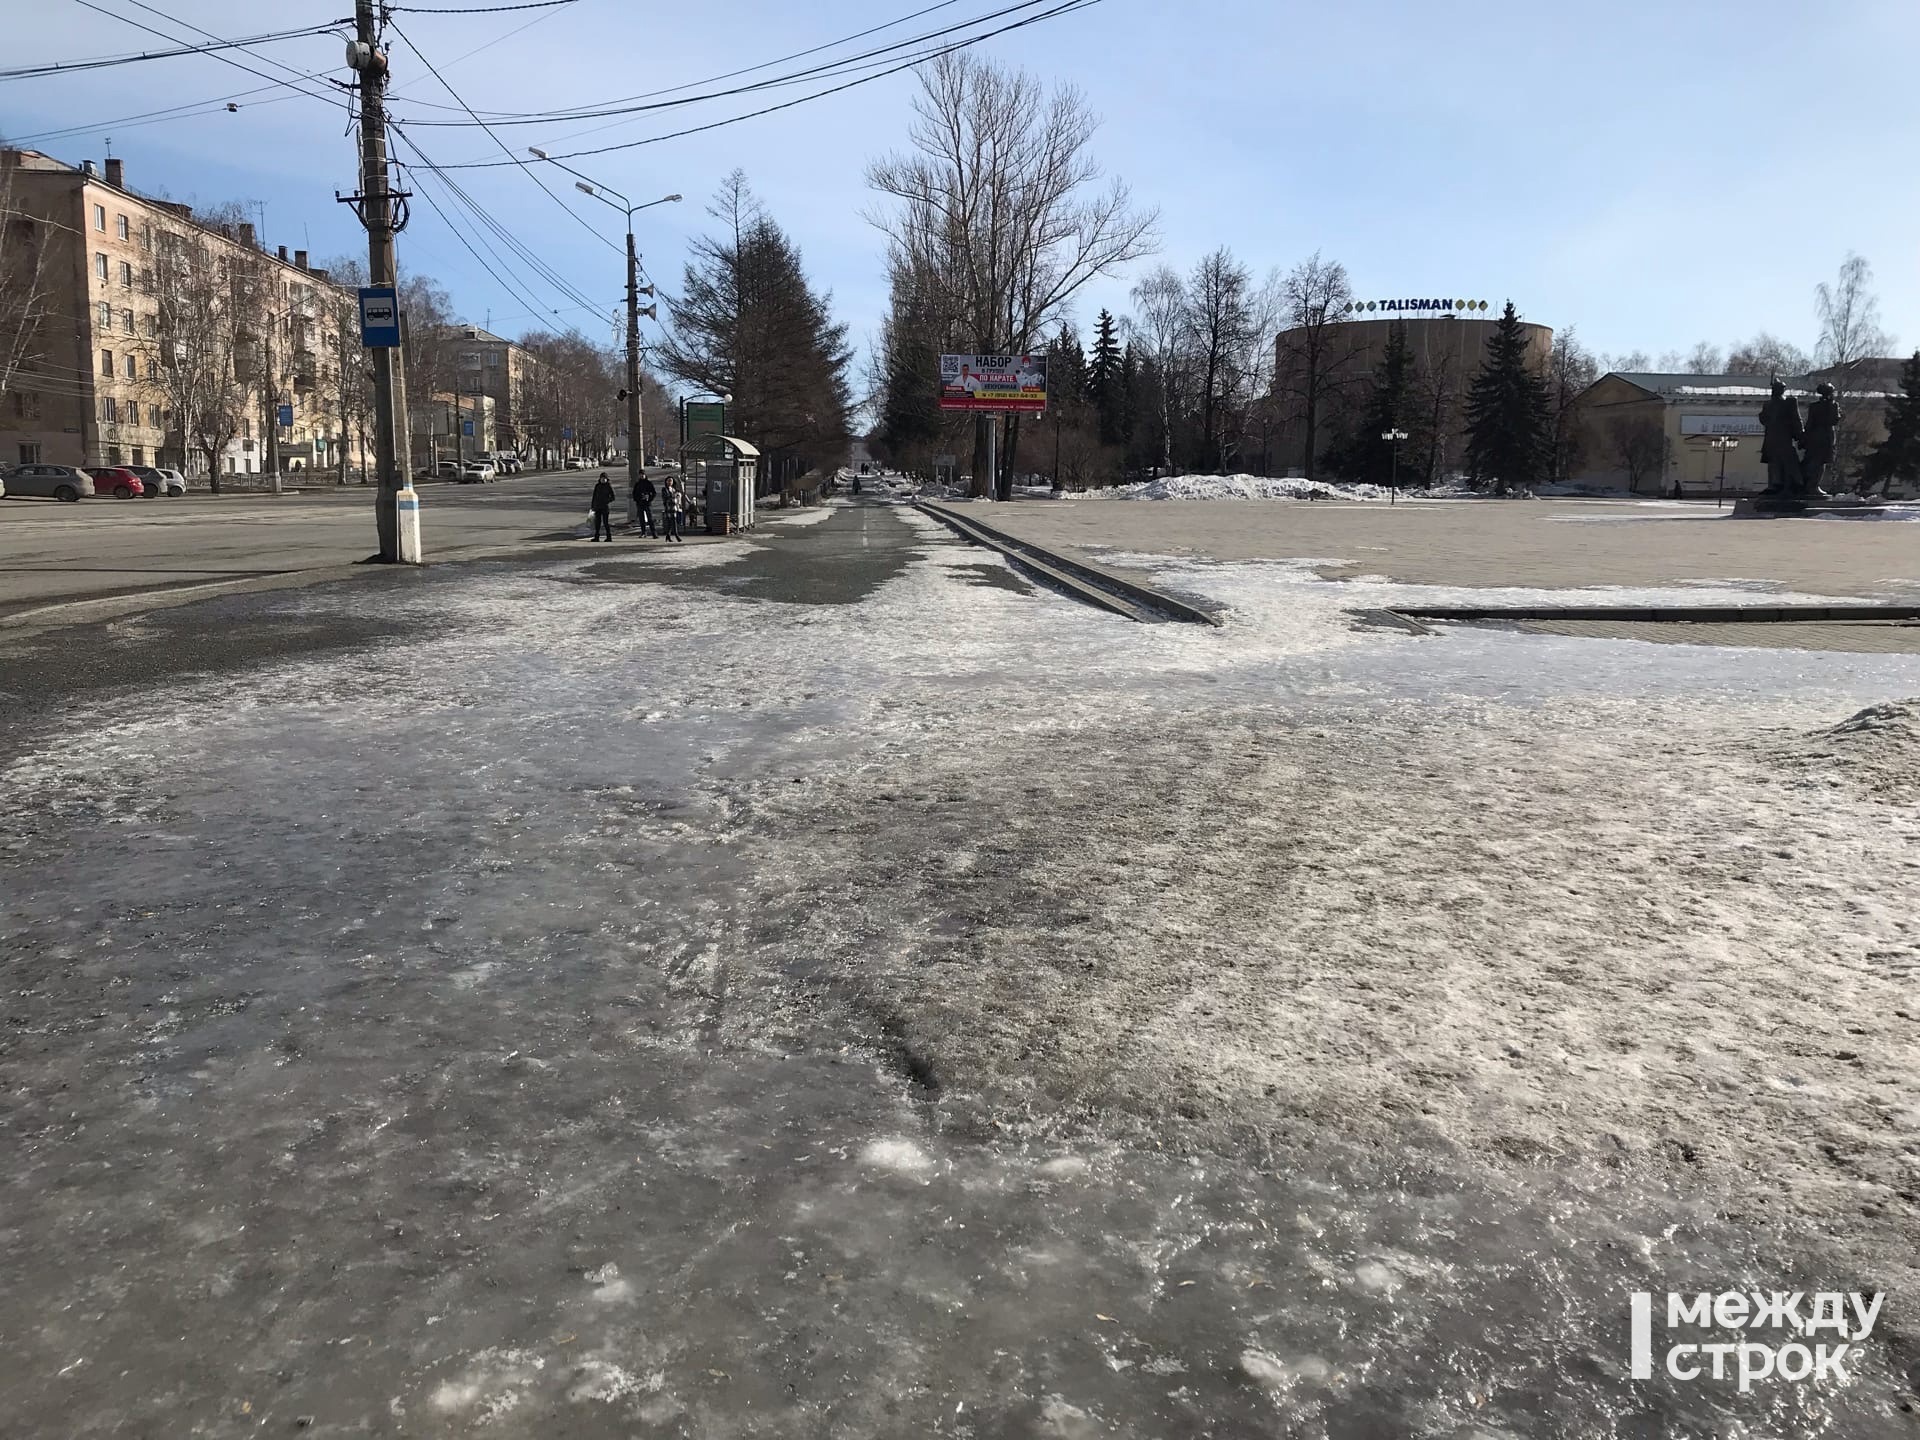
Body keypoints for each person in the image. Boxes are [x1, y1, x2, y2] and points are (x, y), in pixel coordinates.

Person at [1757, 377, 1805, 498]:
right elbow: (1764, 420)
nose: (1775, 391)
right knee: (1773, 461)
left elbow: (1796, 419)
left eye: (1778, 389)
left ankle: (1792, 484)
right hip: (1772, 438)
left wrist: (1800, 434)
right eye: (1774, 389)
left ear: (1782, 390)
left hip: (1785, 437)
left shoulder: (1789, 402)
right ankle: (1774, 484)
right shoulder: (1768, 404)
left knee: (1788, 461)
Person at [1802, 381, 1842, 498]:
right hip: (1826, 436)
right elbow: (1833, 420)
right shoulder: (1833, 405)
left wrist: (1805, 437)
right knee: (1820, 463)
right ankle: (1813, 486)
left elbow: (1809, 423)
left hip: (1814, 436)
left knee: (1814, 461)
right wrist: (1838, 414)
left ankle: (1810, 484)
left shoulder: (1814, 406)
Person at [588, 472, 615, 540]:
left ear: (607, 479)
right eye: (602, 478)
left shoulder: (608, 486)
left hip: (605, 507)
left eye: (604, 478)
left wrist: (606, 501)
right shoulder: (597, 486)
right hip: (597, 506)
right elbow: (594, 496)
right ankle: (596, 537)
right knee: (597, 523)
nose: (603, 480)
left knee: (606, 522)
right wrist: (593, 506)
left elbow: (613, 497)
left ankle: (609, 537)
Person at [631, 472, 657, 536]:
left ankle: (654, 533)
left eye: (643, 475)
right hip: (640, 503)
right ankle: (643, 532)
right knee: (641, 519)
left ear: (645, 475)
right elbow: (634, 493)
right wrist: (637, 499)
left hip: (647, 503)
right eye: (640, 475)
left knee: (650, 518)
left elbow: (654, 493)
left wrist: (649, 498)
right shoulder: (637, 484)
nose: (642, 476)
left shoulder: (649, 483)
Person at [662, 476, 685, 543]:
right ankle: (676, 535)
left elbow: (678, 495)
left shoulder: (673, 489)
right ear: (666, 482)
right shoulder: (665, 489)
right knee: (673, 522)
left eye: (671, 481)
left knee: (670, 523)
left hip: (674, 508)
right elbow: (666, 497)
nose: (669, 482)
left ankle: (668, 536)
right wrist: (674, 496)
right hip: (668, 508)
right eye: (668, 481)